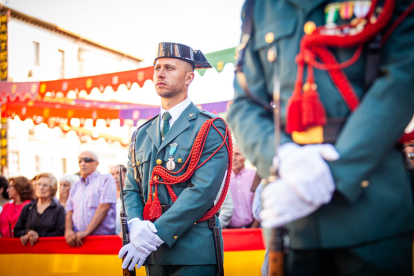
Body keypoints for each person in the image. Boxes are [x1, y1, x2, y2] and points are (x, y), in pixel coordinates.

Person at [228, 0, 414, 275]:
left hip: (371, 210)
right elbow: (244, 105)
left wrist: (333, 173)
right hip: (293, 220)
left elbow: (402, 79)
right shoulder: (260, 6)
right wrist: (283, 157)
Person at [119, 42, 231, 275]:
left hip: (193, 252)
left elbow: (202, 191)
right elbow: (131, 188)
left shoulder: (210, 126)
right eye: (157, 67)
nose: (160, 73)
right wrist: (135, 224)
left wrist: (154, 235)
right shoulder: (141, 133)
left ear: (189, 77)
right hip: (151, 254)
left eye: (170, 68)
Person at [65, 151, 116, 247]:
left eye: (87, 160)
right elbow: (69, 211)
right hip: (78, 240)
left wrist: (86, 232)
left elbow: (104, 207)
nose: (82, 163)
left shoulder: (106, 179)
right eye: (80, 160)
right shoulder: (76, 185)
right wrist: (68, 231)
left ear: (97, 163)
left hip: (101, 239)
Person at [14, 173, 65, 245]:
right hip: (28, 251)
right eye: (38, 184)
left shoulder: (59, 209)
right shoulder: (28, 207)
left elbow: (60, 232)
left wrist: (38, 235)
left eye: (45, 185)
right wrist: (27, 233)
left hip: (50, 250)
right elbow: (16, 231)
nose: (41, 188)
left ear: (52, 188)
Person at [227, 143, 260, 228]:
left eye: (237, 154)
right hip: (228, 230)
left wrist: (254, 228)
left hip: (253, 228)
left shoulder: (255, 176)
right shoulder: (223, 178)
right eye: (231, 154)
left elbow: (261, 203)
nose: (233, 158)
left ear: (245, 156)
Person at [110, 164, 126, 236]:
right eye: (112, 174)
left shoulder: (129, 194)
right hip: (110, 236)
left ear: (125, 175)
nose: (115, 177)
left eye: (118, 173)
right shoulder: (108, 195)